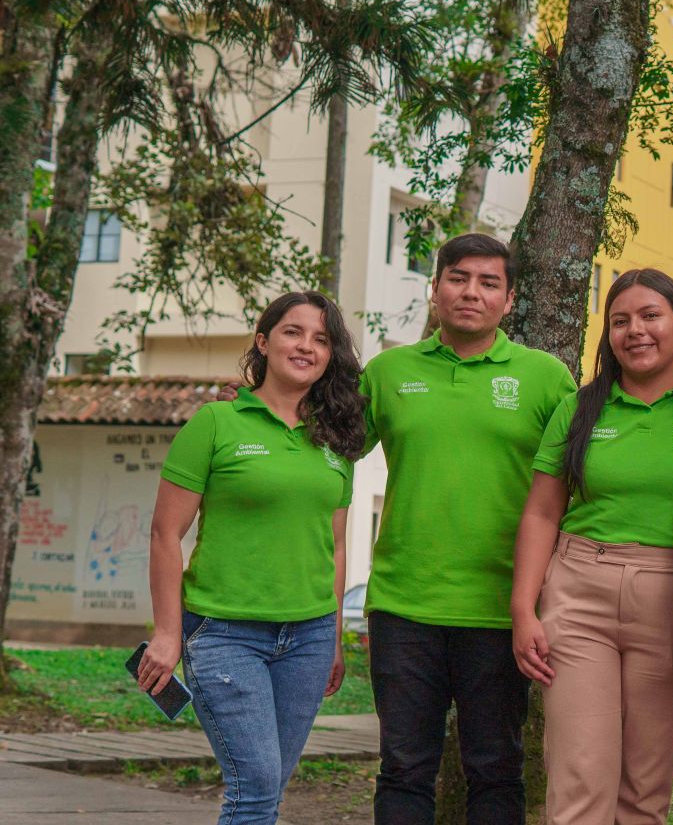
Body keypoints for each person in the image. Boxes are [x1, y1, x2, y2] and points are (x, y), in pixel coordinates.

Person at [361, 233, 576, 824]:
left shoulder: (547, 379)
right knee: (403, 770)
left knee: (495, 770)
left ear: (509, 301)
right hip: (404, 606)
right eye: (458, 278)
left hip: (502, 611)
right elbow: (320, 448)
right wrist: (259, 400)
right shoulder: (385, 373)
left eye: (488, 283)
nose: (471, 293)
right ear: (435, 290)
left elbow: (576, 489)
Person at [138, 291, 363, 825]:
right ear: (263, 341)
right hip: (224, 633)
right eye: (292, 332)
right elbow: (165, 534)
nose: (306, 346)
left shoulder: (336, 438)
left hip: (307, 640)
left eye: (322, 338)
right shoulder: (216, 423)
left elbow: (334, 545)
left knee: (270, 786)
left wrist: (332, 638)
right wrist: (167, 633)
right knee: (256, 787)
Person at [510, 268, 673, 825]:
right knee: (579, 781)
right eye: (620, 321)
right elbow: (543, 511)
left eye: (651, 316)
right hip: (579, 595)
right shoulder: (579, 408)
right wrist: (524, 609)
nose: (635, 331)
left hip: (671, 597)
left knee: (645, 792)